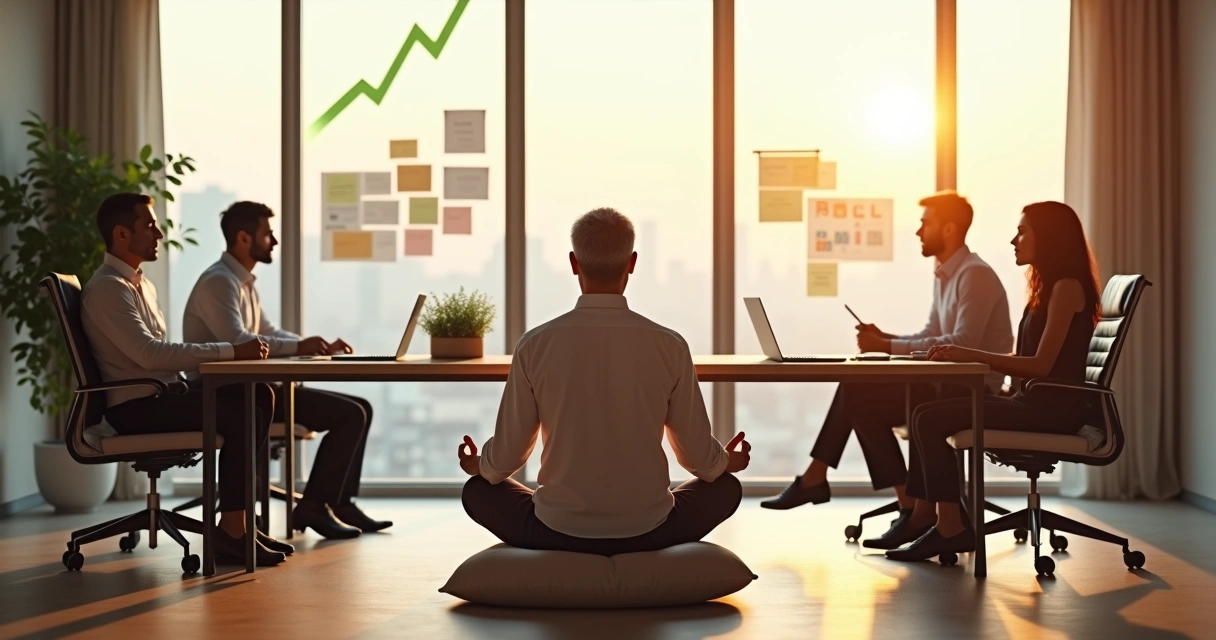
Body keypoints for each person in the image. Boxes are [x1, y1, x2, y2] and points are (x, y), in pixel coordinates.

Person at [457, 207, 749, 555]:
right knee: (725, 487)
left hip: (557, 529)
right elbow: (698, 458)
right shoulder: (669, 344)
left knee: (477, 491)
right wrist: (726, 462)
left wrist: (479, 466)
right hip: (649, 529)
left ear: (573, 263)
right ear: (632, 262)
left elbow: (508, 454)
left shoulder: (535, 344)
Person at [760, 191, 1014, 550]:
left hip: (969, 389)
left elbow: (962, 341)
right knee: (857, 392)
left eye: (925, 223)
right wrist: (886, 339)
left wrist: (886, 347)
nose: (918, 232)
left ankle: (831, 483)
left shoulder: (975, 275)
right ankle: (905, 503)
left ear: (950, 229)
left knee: (869, 395)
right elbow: (931, 335)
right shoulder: (946, 274)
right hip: (944, 383)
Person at [883, 201, 1102, 560]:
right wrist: (969, 357)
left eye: (1022, 231)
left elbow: (1042, 366)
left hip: (1051, 410)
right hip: (1033, 401)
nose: (1014, 240)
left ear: (1048, 237)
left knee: (928, 418)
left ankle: (948, 527)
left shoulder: (1066, 288)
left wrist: (971, 354)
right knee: (926, 412)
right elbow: (1031, 360)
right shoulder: (1047, 290)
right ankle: (943, 524)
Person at [80, 192, 287, 566]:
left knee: (257, 394)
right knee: (245, 413)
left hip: (163, 393)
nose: (159, 233)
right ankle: (232, 533)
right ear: (121, 234)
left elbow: (158, 355)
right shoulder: (108, 289)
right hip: (136, 408)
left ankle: (239, 525)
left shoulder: (141, 285)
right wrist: (229, 350)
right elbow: (149, 354)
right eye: (149, 225)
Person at [182, 201, 390, 539]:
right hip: (228, 391)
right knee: (350, 414)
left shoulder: (243, 283)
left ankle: (339, 503)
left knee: (360, 409)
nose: (274, 241)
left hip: (255, 386)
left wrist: (311, 344)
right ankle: (313, 507)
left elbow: (269, 332)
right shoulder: (218, 283)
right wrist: (298, 347)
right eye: (268, 234)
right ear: (244, 238)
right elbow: (239, 341)